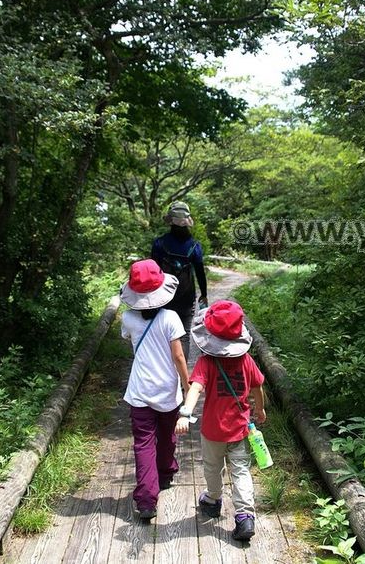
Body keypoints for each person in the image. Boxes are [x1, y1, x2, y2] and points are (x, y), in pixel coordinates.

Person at [175, 299, 266, 542]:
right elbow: (257, 387)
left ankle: (213, 500)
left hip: (213, 431)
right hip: (239, 429)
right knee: (241, 471)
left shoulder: (207, 362)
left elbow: (195, 389)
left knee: (212, 468)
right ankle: (245, 517)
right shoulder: (246, 360)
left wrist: (186, 412)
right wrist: (261, 410)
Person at [120, 258, 191, 521]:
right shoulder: (171, 318)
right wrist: (187, 386)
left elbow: (129, 339)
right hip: (167, 390)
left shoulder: (128, 318)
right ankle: (166, 472)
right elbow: (179, 356)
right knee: (167, 434)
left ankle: (147, 501)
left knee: (143, 444)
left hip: (139, 390)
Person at [150, 201, 208, 360]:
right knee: (184, 335)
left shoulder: (159, 243)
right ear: (187, 223)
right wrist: (204, 294)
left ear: (171, 222)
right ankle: (181, 377)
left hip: (163, 296)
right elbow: (200, 272)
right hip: (186, 296)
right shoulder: (194, 246)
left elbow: (153, 271)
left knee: (162, 333)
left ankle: (164, 372)